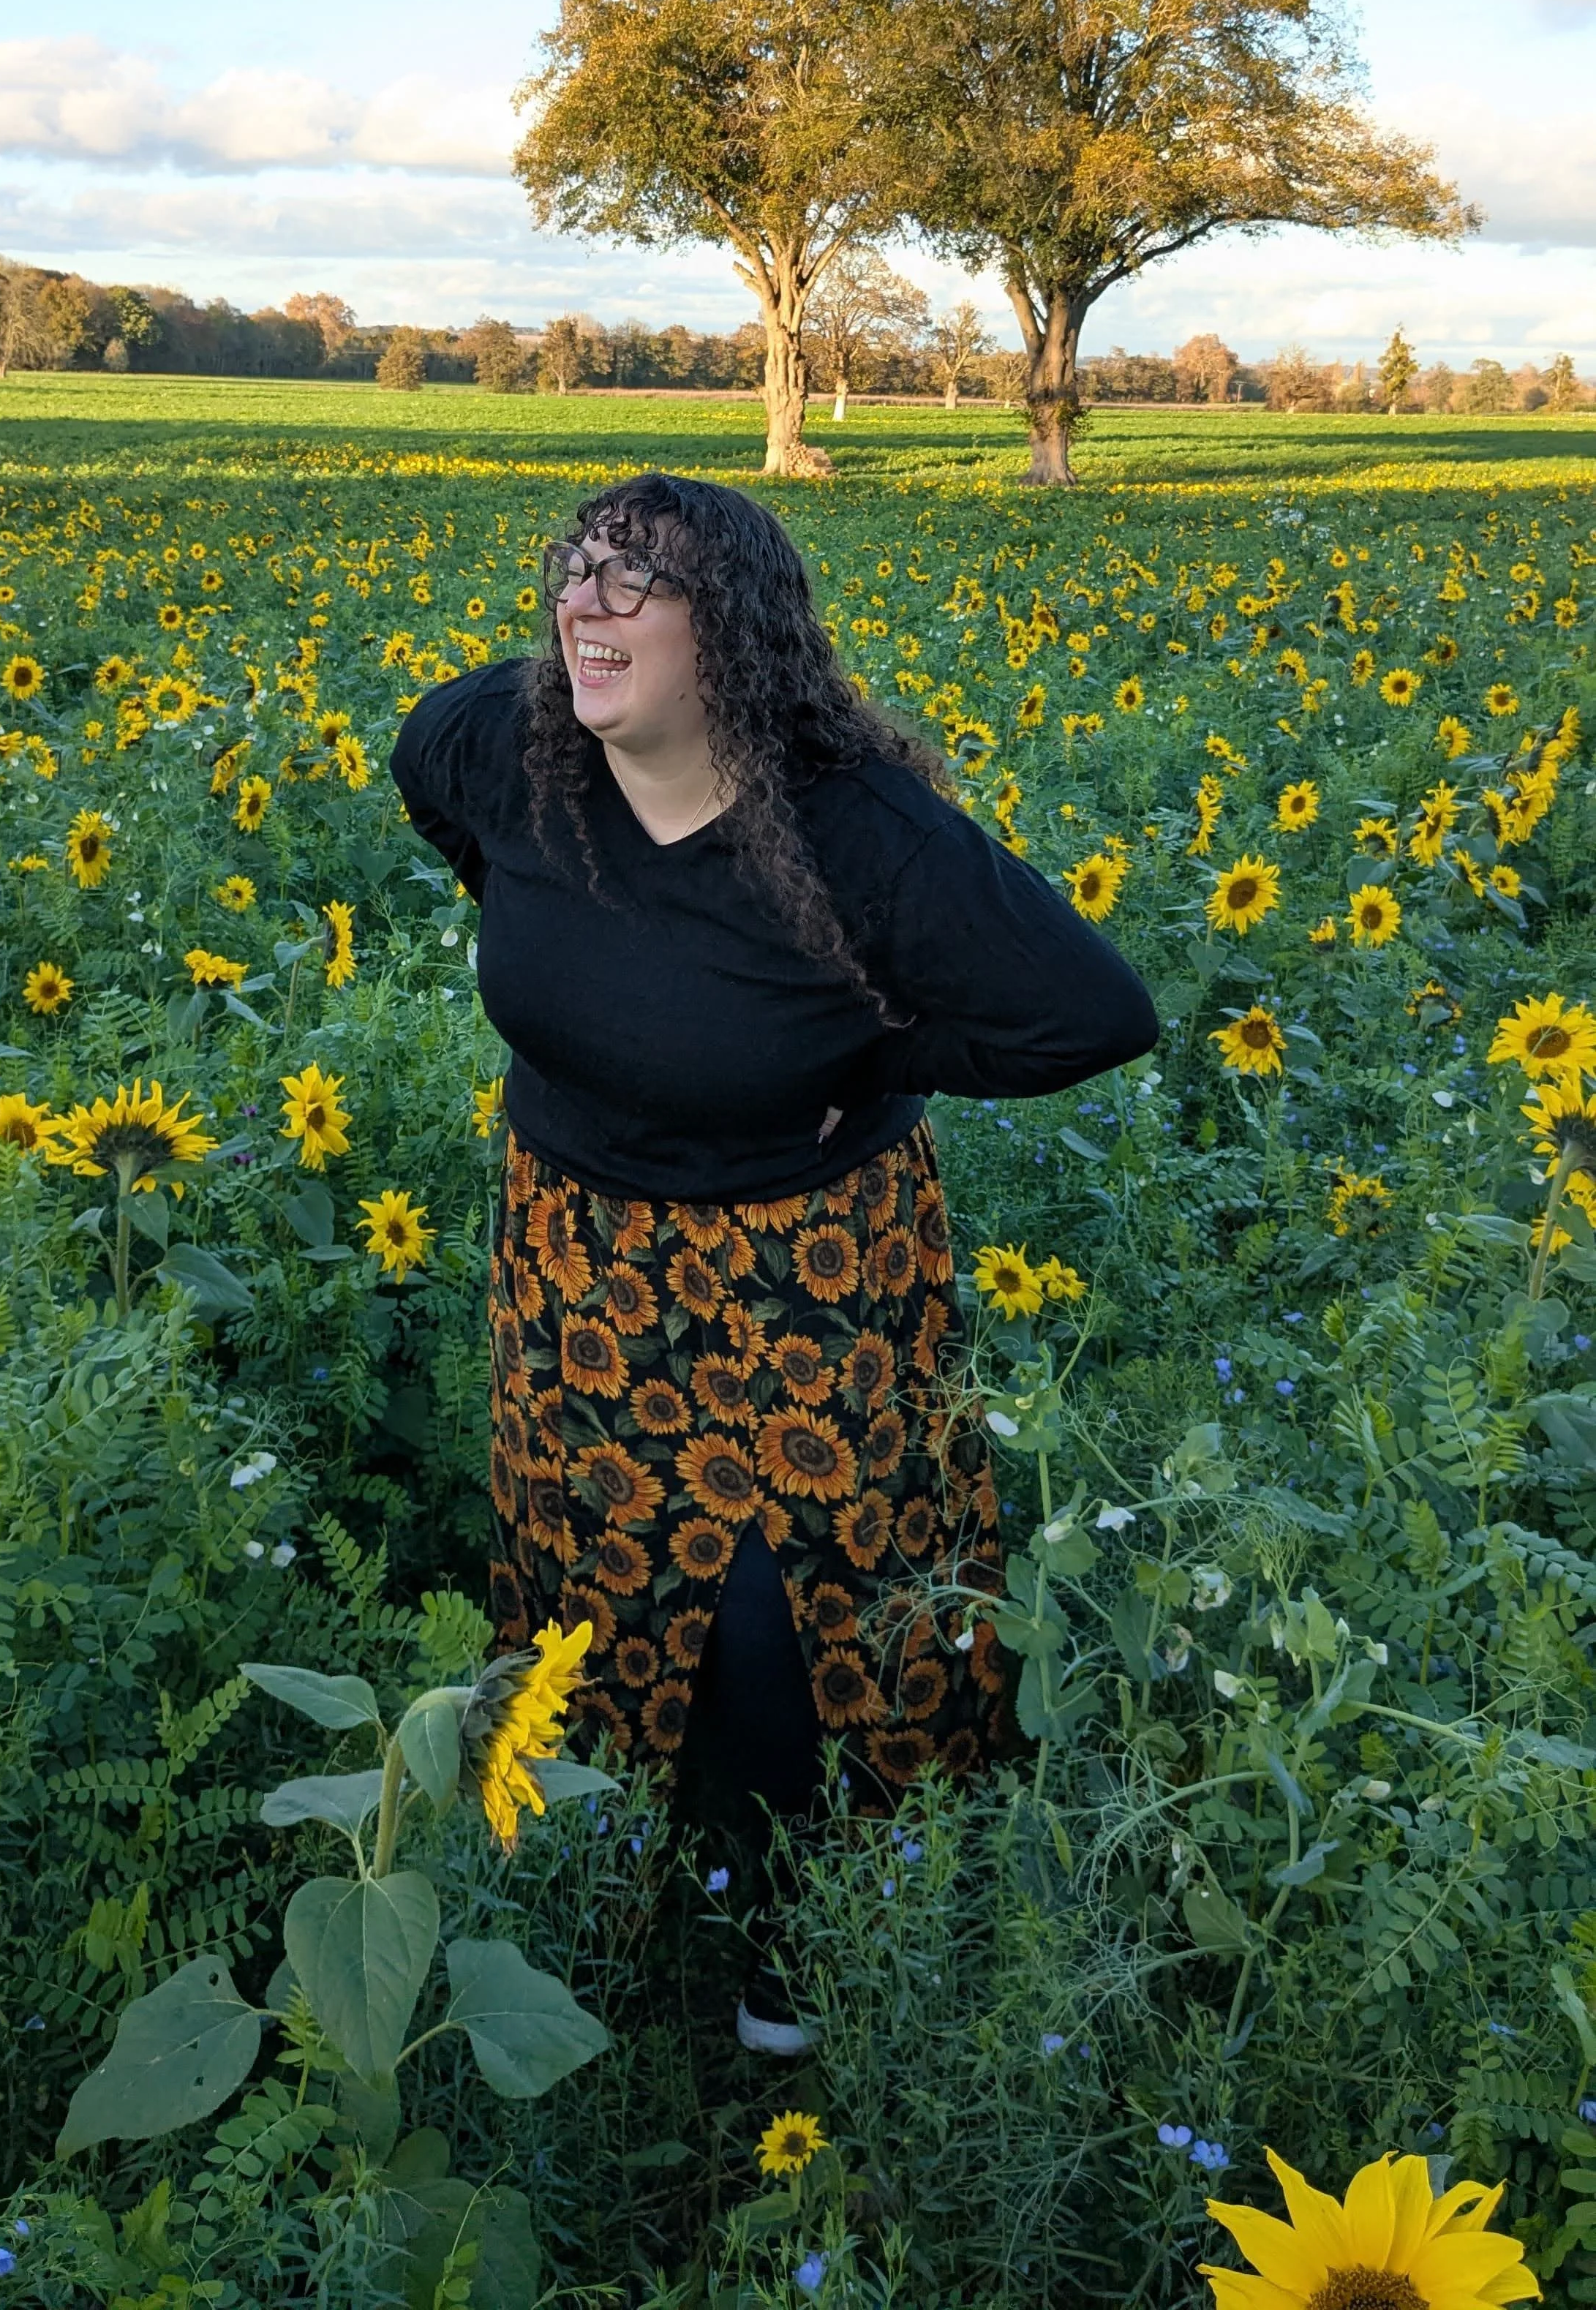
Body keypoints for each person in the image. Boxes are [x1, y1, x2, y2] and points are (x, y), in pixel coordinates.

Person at [390, 470, 1156, 2052]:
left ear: (728, 634)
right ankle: (594, 1891)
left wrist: (873, 1055)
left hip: (806, 1269)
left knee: (784, 1620)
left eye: (630, 587)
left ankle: (802, 1942)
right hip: (579, 1256)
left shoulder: (853, 834)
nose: (581, 611)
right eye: (572, 575)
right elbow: (428, 788)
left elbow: (1091, 1012)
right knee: (592, 1577)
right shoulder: (507, 752)